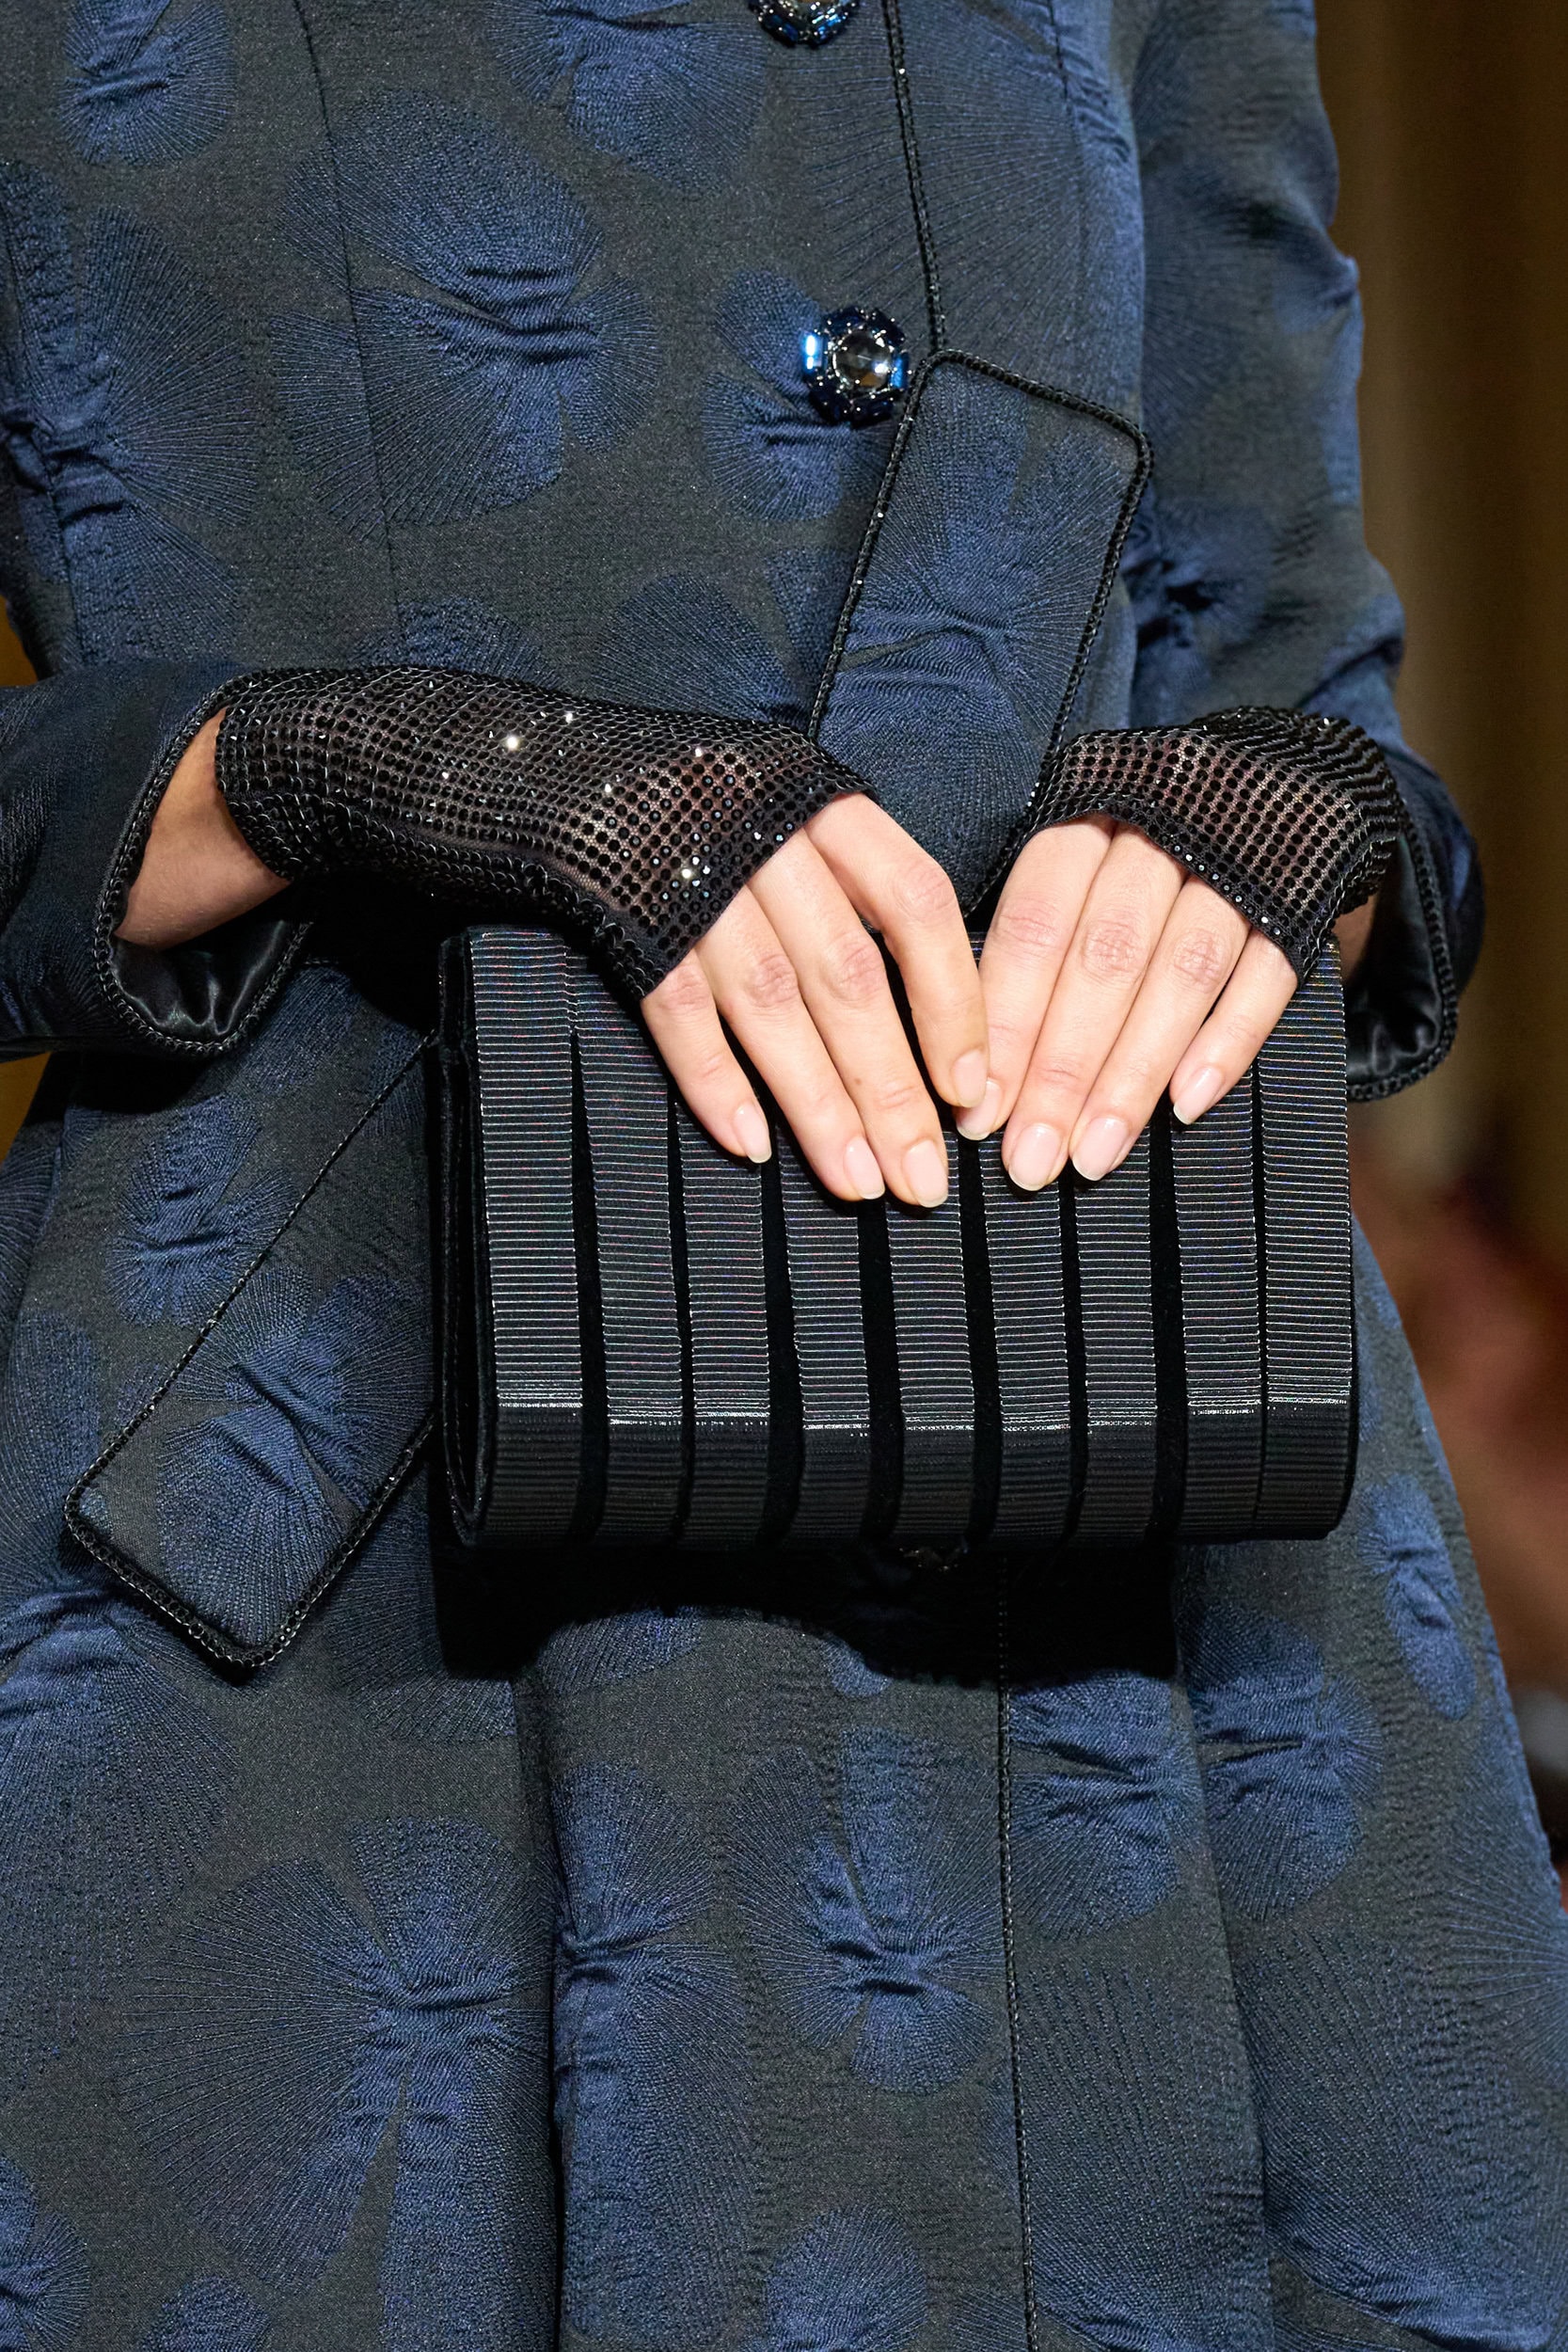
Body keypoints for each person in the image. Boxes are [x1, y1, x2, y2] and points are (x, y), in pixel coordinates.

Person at [0, 2, 1561, 2345]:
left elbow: (1306, 687)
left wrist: (1281, 820)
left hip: (1139, 1547)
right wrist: (335, 765)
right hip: (346, 1602)